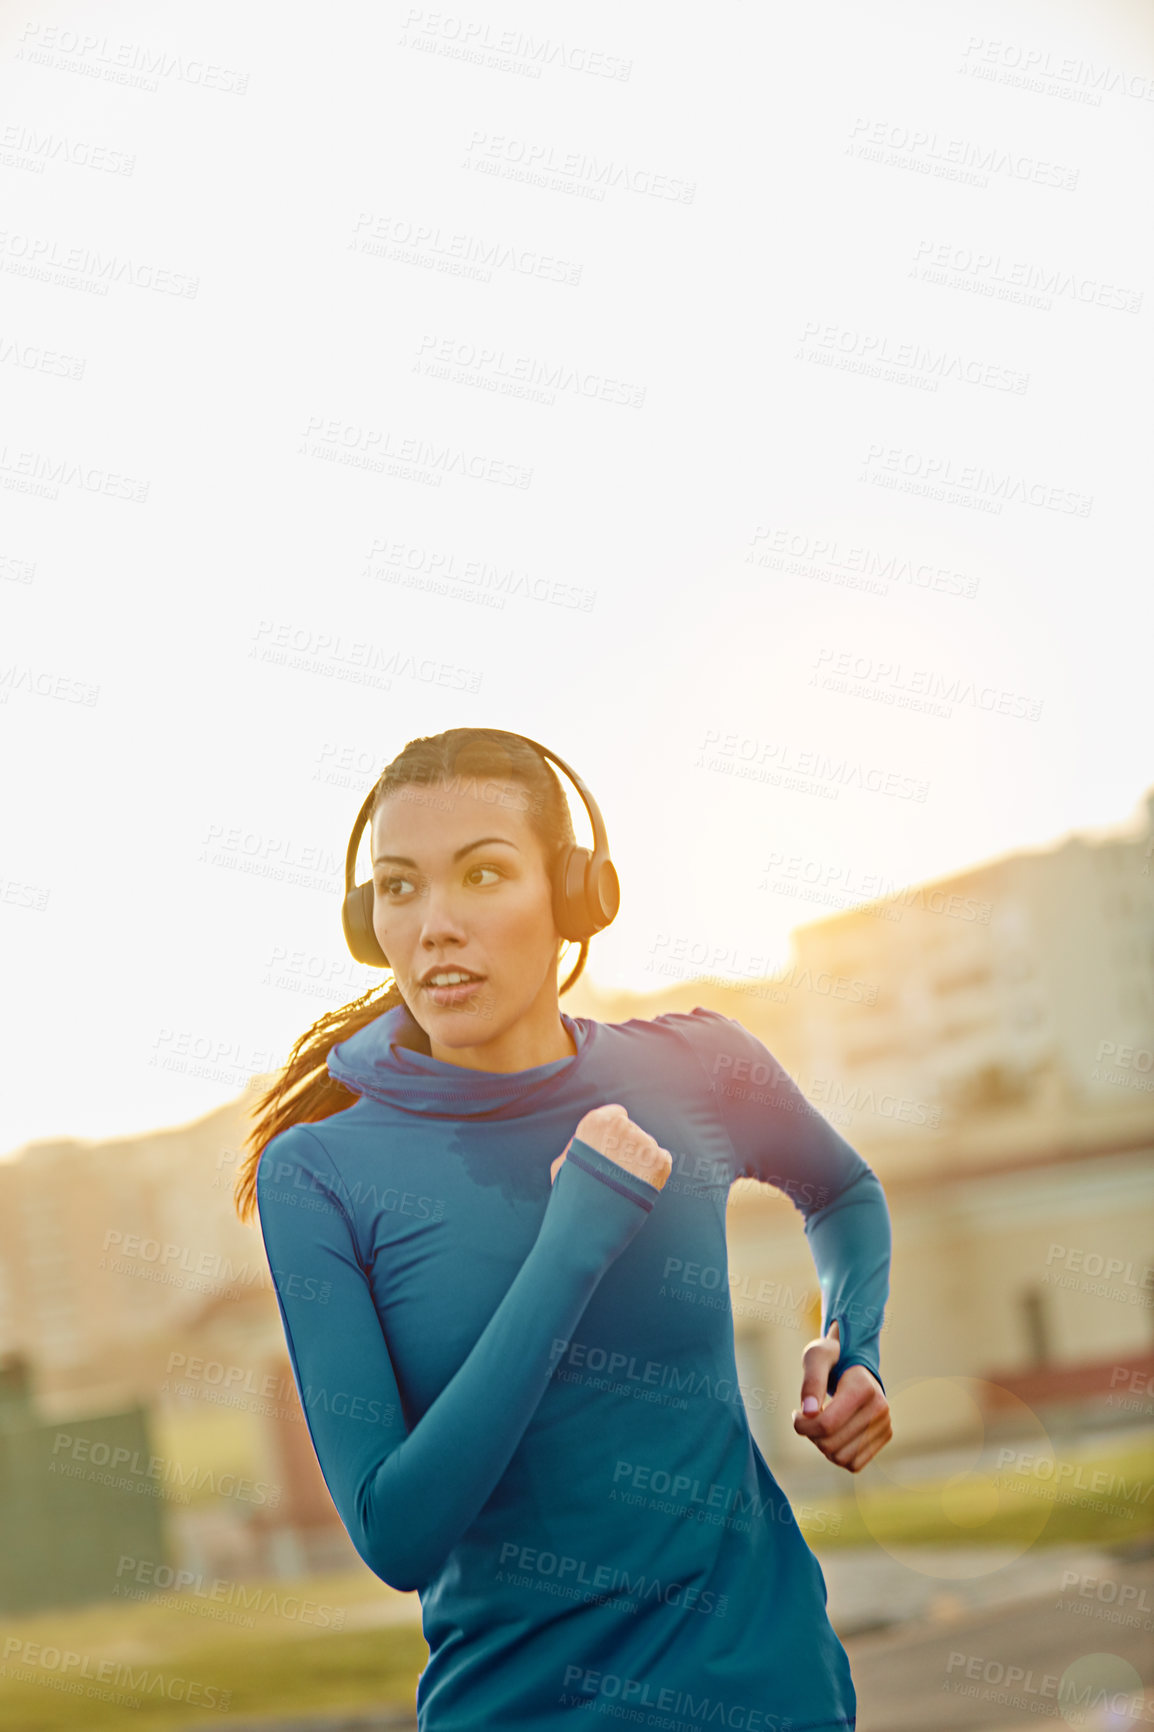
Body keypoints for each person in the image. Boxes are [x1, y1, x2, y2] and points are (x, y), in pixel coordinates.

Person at [236, 726, 893, 1732]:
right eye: (400, 888)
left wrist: (856, 1348)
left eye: (483, 874)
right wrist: (572, 1239)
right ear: (368, 921)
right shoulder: (320, 1173)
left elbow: (841, 1192)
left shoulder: (695, 1067)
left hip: (771, 1692)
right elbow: (394, 1532)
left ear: (574, 895)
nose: (436, 924)